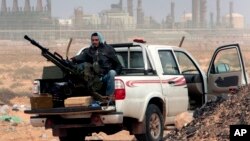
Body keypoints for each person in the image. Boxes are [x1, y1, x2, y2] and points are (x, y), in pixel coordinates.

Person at [71, 32, 122, 100]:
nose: (94, 42)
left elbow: (118, 65)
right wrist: (73, 59)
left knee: (112, 72)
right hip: (94, 79)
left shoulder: (109, 49)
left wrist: (116, 77)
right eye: (93, 40)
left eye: (96, 40)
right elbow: (80, 57)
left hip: (106, 77)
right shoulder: (89, 51)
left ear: (100, 39)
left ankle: (110, 98)